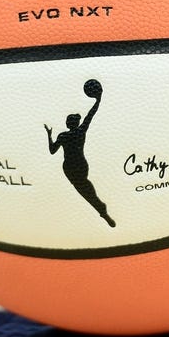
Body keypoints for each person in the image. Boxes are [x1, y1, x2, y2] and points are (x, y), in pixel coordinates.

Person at [44, 80, 115, 227]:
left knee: (84, 189)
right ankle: (102, 211)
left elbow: (52, 151)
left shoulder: (63, 136)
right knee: (86, 188)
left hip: (70, 167)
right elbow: (90, 115)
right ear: (76, 123)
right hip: (80, 165)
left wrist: (49, 135)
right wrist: (98, 100)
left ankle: (102, 210)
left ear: (68, 124)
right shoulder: (80, 131)